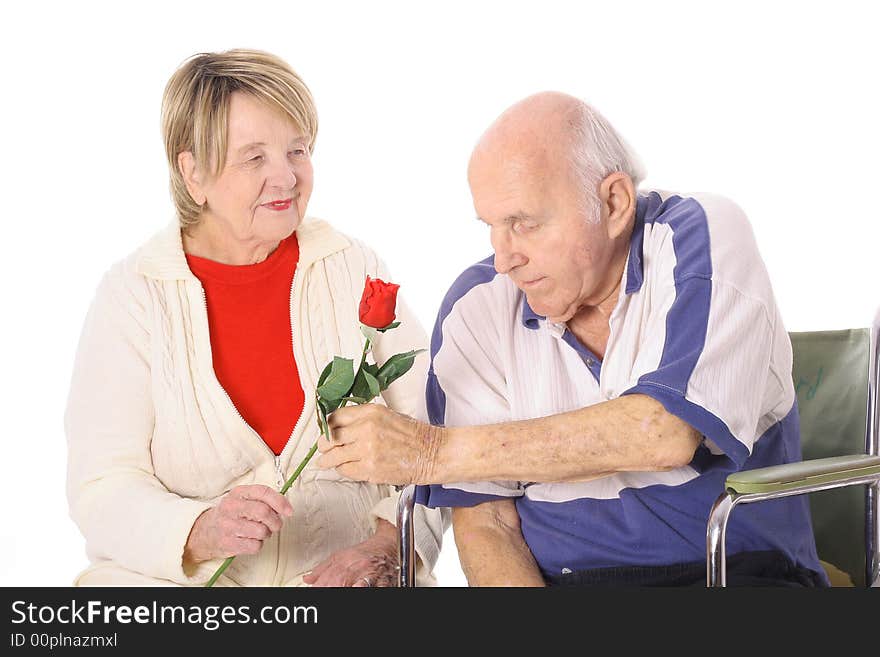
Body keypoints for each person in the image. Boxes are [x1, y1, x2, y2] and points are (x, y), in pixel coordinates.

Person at [317, 91, 828, 587]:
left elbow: (662, 432)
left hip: (730, 572)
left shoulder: (698, 234)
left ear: (614, 202)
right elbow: (486, 524)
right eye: (492, 226)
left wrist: (430, 453)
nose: (503, 257)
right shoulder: (479, 303)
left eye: (524, 223)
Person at [65, 49, 445, 587]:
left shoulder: (350, 265)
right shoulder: (133, 295)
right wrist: (200, 529)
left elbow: (436, 441)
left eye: (298, 150)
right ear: (192, 170)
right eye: (254, 158)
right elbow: (101, 485)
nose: (286, 177)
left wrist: (387, 547)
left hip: (345, 580)